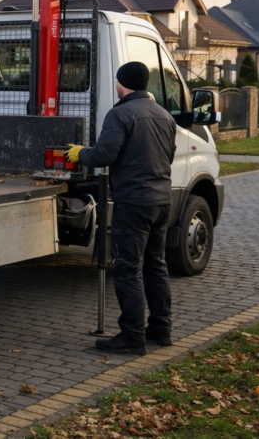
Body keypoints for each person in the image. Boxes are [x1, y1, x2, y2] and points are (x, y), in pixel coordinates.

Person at [65, 61, 177, 355]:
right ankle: (161, 330)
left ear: (121, 82)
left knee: (128, 270)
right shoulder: (164, 115)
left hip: (134, 203)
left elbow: (104, 154)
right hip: (162, 201)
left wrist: (80, 154)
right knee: (156, 267)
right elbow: (169, 155)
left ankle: (131, 337)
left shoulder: (121, 114)